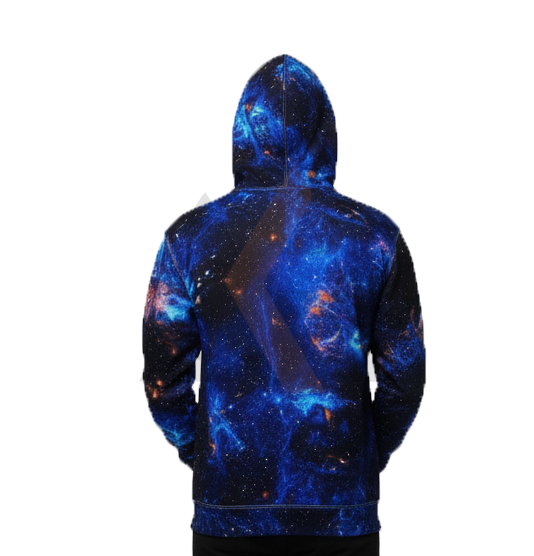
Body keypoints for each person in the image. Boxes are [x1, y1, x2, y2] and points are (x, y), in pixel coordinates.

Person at [142, 54, 425, 556]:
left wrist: (205, 454)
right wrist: (359, 459)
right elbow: (405, 377)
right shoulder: (376, 238)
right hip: (342, 518)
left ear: (244, 135)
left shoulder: (189, 238)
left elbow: (163, 379)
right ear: (326, 132)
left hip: (228, 516)